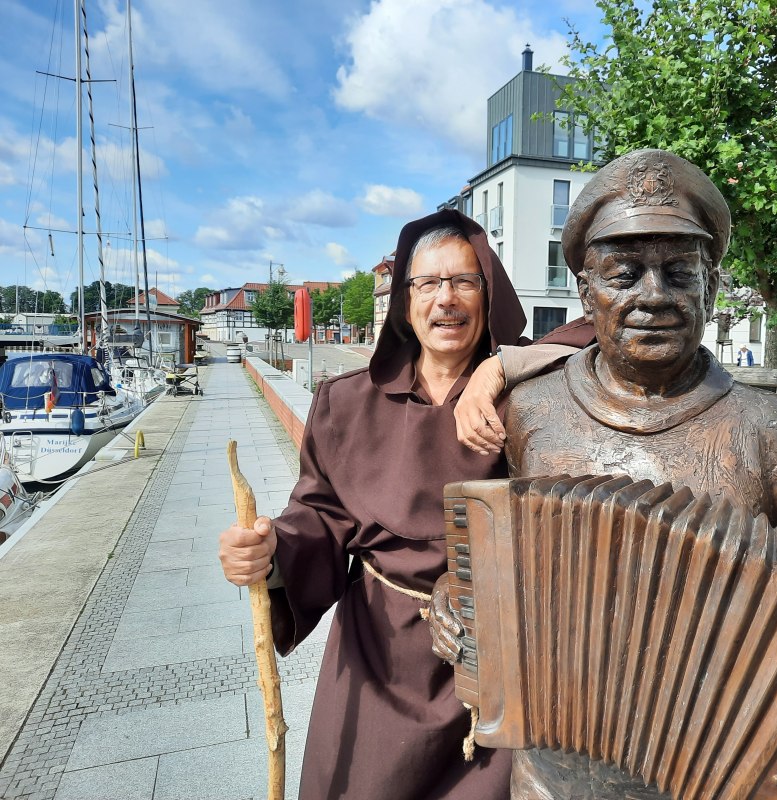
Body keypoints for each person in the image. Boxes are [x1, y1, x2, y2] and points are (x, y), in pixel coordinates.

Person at [438, 149, 777, 800]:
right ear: (586, 291)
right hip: (553, 776)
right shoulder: (533, 411)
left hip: (725, 778)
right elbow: (506, 559)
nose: (653, 297)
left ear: (711, 287)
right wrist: (457, 599)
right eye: (625, 273)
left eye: (678, 272)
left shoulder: (766, 427)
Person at [218, 208, 590, 800]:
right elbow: (319, 513)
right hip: (377, 657)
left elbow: (603, 332)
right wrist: (271, 556)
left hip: (493, 665)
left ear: (488, 294)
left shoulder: (530, 400)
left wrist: (499, 367)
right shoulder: (347, 402)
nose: (446, 299)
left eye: (464, 281)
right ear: (404, 299)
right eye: (429, 283)